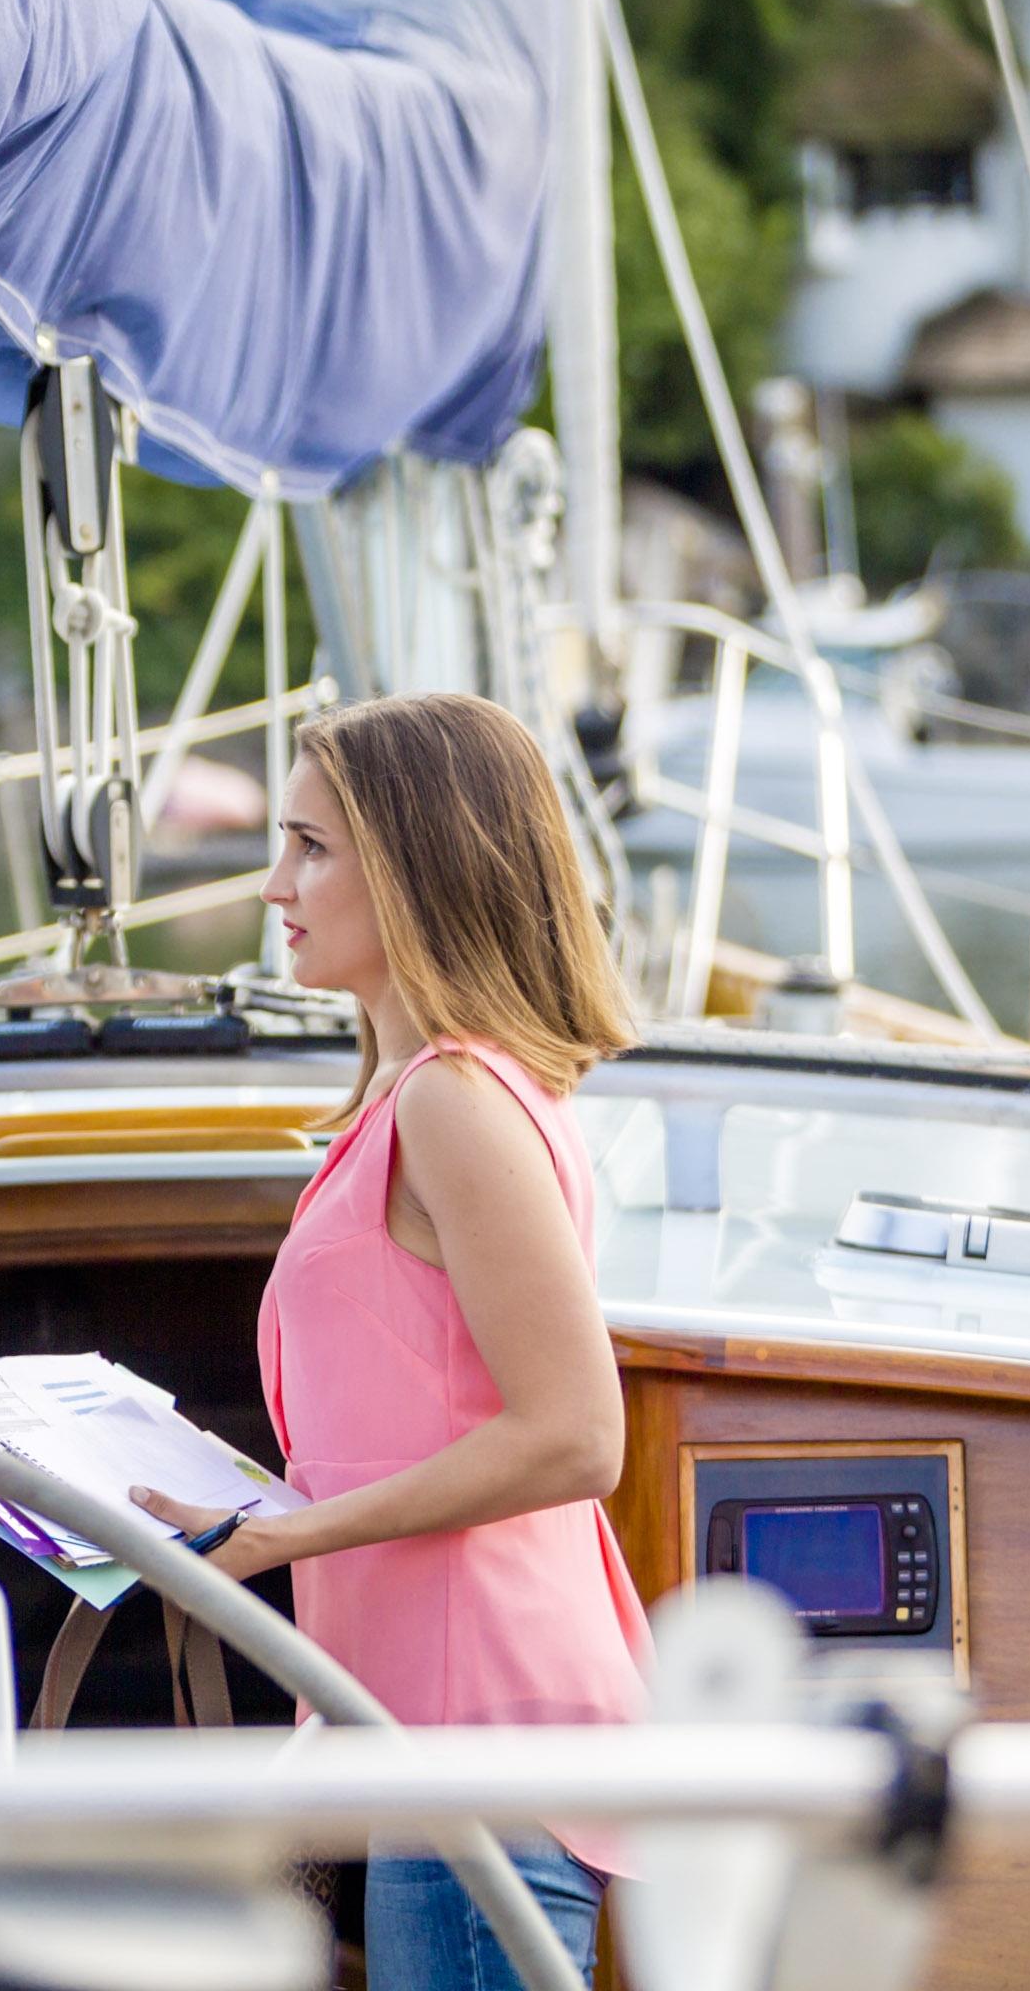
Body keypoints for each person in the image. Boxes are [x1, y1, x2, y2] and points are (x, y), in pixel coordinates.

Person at [130, 691, 652, 1991]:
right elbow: (419, 1413)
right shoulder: (421, 1098)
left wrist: (286, 1533)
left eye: (311, 847)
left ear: (416, 867)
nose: (272, 883)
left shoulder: (454, 1102)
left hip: (485, 1748)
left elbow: (578, 1437)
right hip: (432, 1737)